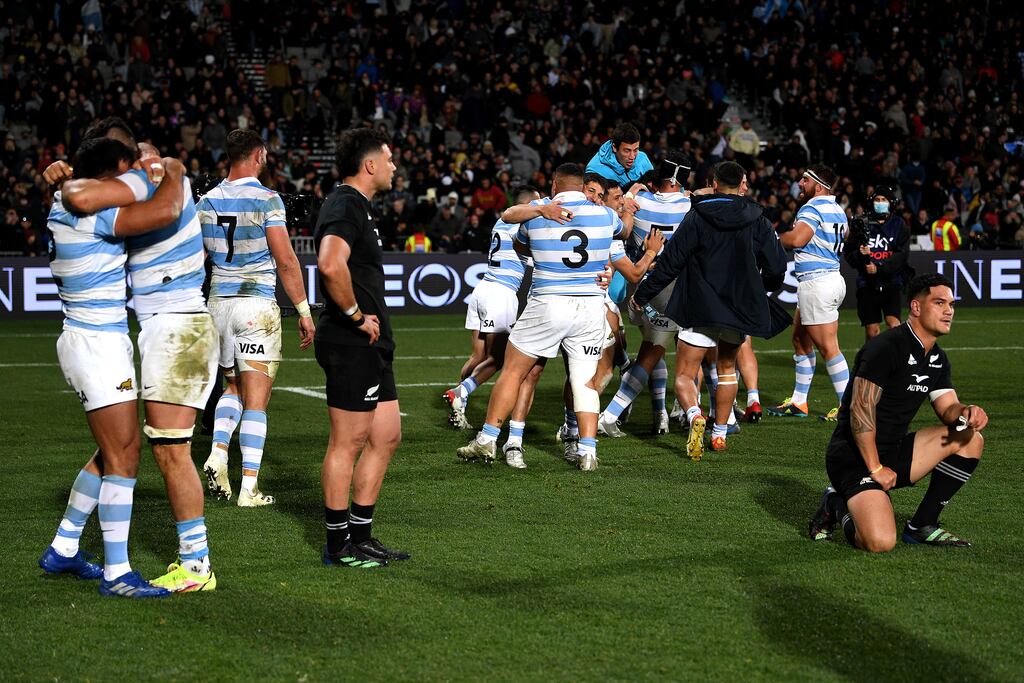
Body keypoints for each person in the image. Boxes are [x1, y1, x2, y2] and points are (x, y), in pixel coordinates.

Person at [60, 125, 221, 594]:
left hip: (179, 327)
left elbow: (151, 196)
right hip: (159, 328)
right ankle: (65, 544)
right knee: (119, 447)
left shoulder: (167, 184)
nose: (139, 172)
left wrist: (171, 167)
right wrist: (64, 174)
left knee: (170, 449)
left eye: (145, 162)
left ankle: (196, 565)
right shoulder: (131, 200)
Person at [39, 137, 184, 599]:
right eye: (123, 172)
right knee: (125, 455)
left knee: (110, 452)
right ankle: (117, 573)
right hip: (96, 344)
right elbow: (164, 210)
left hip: (90, 338)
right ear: (107, 177)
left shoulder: (67, 205)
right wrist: (172, 171)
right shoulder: (89, 211)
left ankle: (64, 546)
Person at [457, 163, 623, 471]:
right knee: (584, 381)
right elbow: (619, 231)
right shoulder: (606, 216)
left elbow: (516, 233)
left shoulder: (538, 212)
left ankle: (487, 438)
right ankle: (588, 451)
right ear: (583, 186)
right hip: (589, 308)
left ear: (556, 185)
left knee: (513, 371)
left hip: (548, 303)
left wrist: (541, 212)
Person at [809, 274, 987, 551]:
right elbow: (861, 411)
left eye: (951, 304)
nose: (949, 311)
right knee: (879, 542)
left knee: (970, 438)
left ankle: (922, 525)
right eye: (939, 303)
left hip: (892, 452)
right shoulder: (886, 347)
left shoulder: (937, 358)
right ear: (916, 307)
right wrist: (875, 468)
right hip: (853, 457)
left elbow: (948, 408)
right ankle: (835, 503)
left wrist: (967, 412)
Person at [633, 161, 789, 458]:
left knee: (684, 374)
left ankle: (694, 414)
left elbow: (671, 262)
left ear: (714, 183)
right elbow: (777, 266)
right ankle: (719, 434)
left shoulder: (697, 215)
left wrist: (643, 294)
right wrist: (762, 287)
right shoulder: (757, 218)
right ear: (742, 184)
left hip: (699, 305)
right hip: (737, 307)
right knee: (727, 369)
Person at [198, 129, 316, 506]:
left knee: (232, 387)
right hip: (255, 305)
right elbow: (286, 260)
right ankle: (249, 488)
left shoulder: (207, 201)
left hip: (218, 304)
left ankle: (218, 453)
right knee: (257, 400)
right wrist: (303, 310)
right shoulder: (268, 199)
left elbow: (197, 259)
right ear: (258, 156)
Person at [314, 128, 409, 568]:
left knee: (386, 435)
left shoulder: (359, 207)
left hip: (372, 343)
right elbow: (329, 264)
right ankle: (338, 545)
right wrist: (355, 316)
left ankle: (361, 535)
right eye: (388, 159)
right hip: (350, 340)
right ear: (370, 164)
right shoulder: (345, 204)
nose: (393, 166)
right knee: (347, 442)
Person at [442, 186, 562, 433]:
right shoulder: (522, 224)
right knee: (498, 359)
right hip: (501, 294)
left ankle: (459, 404)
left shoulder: (502, 222)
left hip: (482, 290)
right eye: (538, 202)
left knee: (478, 357)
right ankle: (461, 393)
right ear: (530, 204)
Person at [599, 153, 692, 438]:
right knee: (656, 351)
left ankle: (661, 413)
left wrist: (630, 193)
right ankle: (611, 414)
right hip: (669, 288)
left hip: (638, 287)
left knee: (653, 344)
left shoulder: (637, 202)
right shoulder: (690, 206)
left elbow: (621, 223)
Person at [768, 164, 850, 422]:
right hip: (829, 279)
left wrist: (771, 238)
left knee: (829, 348)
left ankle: (848, 407)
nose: (800, 183)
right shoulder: (837, 209)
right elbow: (844, 235)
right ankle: (799, 402)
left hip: (818, 283)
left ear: (819, 186)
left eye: (805, 179)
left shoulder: (813, 207)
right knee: (800, 340)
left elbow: (797, 240)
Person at [844, 184, 912, 341]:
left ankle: (894, 356)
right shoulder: (862, 223)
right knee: (872, 331)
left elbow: (902, 255)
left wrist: (879, 267)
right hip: (867, 284)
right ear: (871, 202)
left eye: (884, 200)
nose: (880, 203)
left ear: (891, 203)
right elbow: (849, 253)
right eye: (877, 200)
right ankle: (871, 355)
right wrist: (860, 255)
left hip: (891, 281)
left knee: (894, 325)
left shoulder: (899, 224)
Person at [585, 123, 654, 188]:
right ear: (614, 147)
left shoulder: (642, 157)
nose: (632, 157)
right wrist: (630, 193)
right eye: (627, 151)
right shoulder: (595, 169)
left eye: (636, 150)